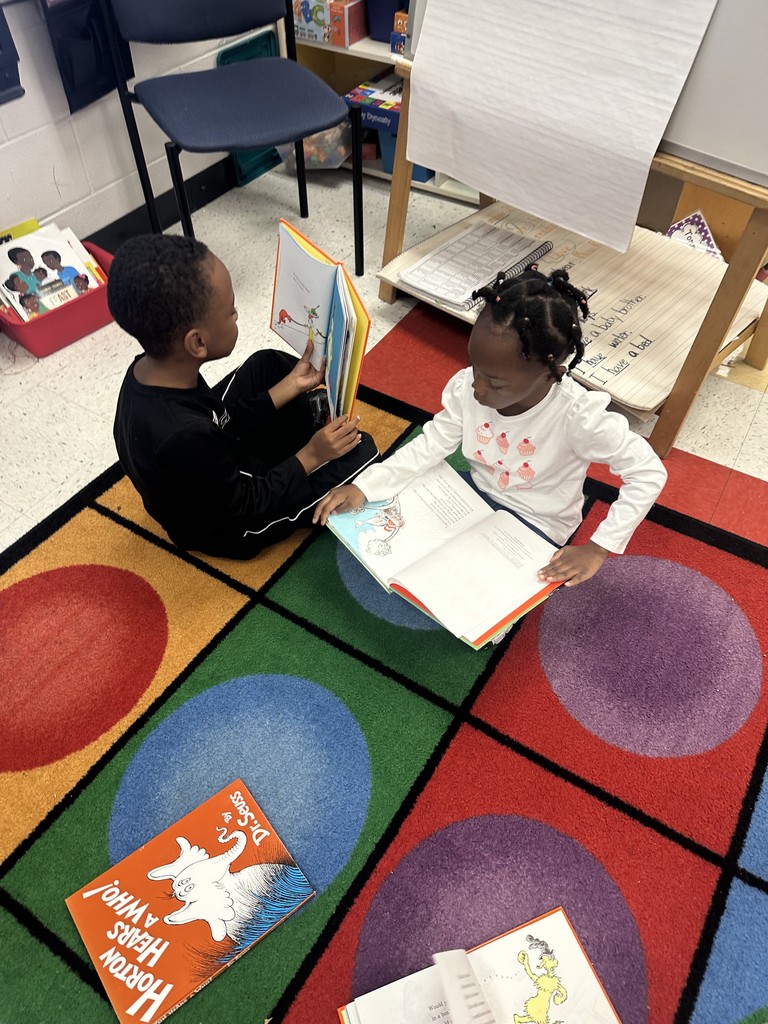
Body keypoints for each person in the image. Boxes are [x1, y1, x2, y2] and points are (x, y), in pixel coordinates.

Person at [314, 265, 667, 589]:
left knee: (468, 591)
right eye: (473, 367)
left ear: (549, 373)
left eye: (495, 384)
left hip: (538, 524)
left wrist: (597, 548)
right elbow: (432, 443)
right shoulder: (468, 386)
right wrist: (367, 486)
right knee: (392, 539)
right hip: (473, 496)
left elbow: (648, 472)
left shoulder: (578, 416)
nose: (477, 388)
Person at [109, 233, 378, 559]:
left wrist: (289, 386)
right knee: (365, 451)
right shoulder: (182, 434)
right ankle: (309, 440)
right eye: (231, 312)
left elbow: (220, 420)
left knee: (267, 365)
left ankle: (303, 425)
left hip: (210, 465)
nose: (237, 316)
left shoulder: (151, 371)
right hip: (234, 524)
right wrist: (312, 455)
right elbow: (250, 503)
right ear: (197, 344)